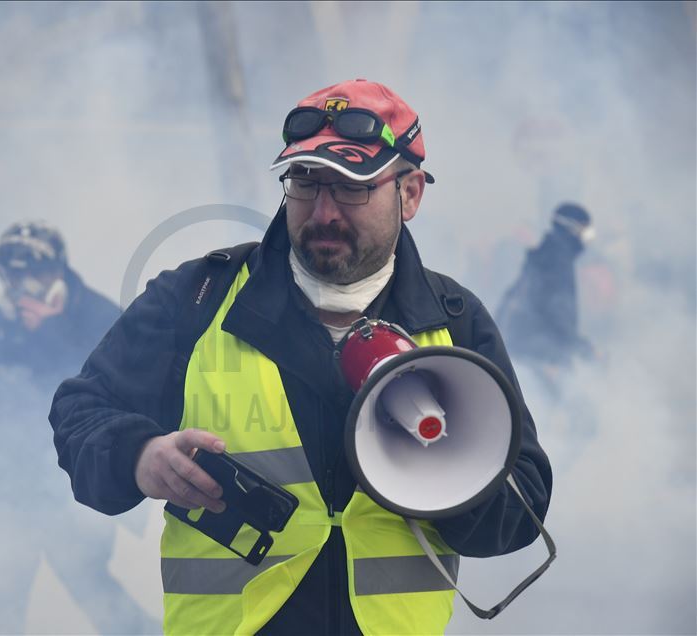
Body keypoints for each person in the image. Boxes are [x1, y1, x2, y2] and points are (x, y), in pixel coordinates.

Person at [50, 80, 553, 635]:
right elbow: (81, 412)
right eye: (304, 184)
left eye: (351, 188)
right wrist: (139, 455)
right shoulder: (197, 299)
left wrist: (450, 473)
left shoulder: (456, 323)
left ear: (410, 194)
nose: (324, 212)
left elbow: (520, 507)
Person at [0, 220, 154, 634]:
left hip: (69, 486)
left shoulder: (96, 315)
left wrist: (50, 331)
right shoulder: (3, 321)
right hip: (10, 491)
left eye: (35, 273)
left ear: (58, 270)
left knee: (94, 590)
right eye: (14, 275)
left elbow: (114, 389)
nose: (24, 285)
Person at [495, 203, 597, 393]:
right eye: (587, 233)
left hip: (522, 352)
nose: (588, 240)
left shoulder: (543, 255)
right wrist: (583, 349)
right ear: (574, 229)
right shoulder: (557, 260)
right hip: (539, 358)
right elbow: (557, 313)